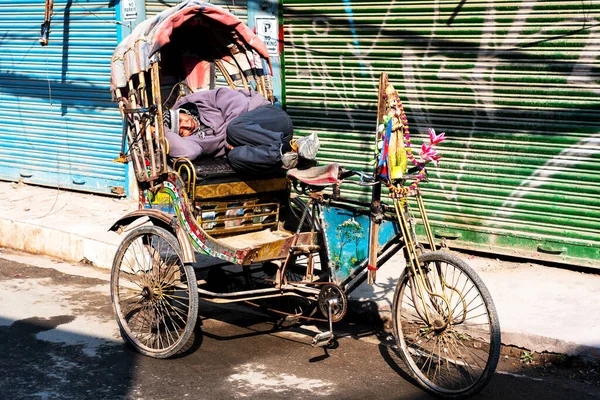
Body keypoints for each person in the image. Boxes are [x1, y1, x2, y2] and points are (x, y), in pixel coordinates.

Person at [163, 87, 297, 172]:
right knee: (234, 157)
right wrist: (161, 130)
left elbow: (237, 101)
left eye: (181, 120)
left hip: (271, 120)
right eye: (181, 131)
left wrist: (227, 139)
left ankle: (283, 147)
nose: (187, 125)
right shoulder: (194, 140)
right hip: (263, 145)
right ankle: (288, 154)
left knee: (233, 128)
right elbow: (188, 151)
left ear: (181, 111)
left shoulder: (200, 102)